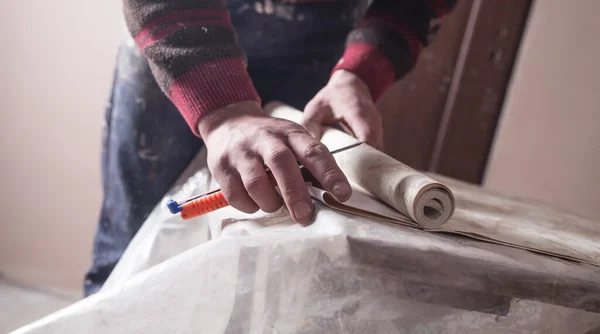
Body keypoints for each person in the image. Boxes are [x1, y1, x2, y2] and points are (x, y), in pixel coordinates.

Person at [84, 0, 456, 296]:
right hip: (178, 26)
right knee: (131, 249)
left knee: (268, 250)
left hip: (323, 29)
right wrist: (224, 112)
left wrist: (359, 71)